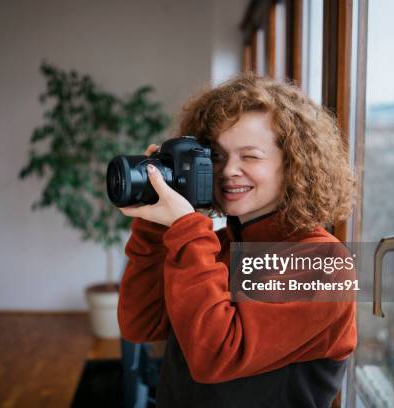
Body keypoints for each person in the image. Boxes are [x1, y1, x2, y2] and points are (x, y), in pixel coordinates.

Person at [117, 73, 357, 407]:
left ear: (294, 165)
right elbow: (140, 324)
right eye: (216, 155)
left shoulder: (323, 262)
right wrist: (155, 226)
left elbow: (215, 355)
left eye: (251, 156)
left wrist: (185, 227)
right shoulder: (215, 247)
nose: (229, 170)